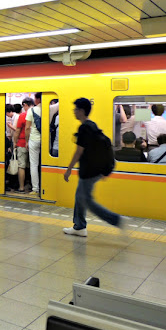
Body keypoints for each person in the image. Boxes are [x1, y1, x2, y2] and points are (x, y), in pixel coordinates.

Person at [63, 98, 123, 237]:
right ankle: (79, 226)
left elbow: (79, 151)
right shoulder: (92, 125)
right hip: (93, 170)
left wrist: (69, 169)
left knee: (86, 200)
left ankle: (116, 220)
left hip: (89, 171)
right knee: (80, 197)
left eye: (75, 109)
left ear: (82, 111)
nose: (74, 112)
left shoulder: (84, 128)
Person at [12, 98, 33, 193]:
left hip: (22, 143)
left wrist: (15, 142)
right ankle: (32, 186)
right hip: (34, 143)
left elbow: (17, 130)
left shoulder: (23, 115)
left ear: (25, 105)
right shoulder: (38, 114)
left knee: (21, 166)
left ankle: (21, 187)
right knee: (32, 165)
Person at [25, 92, 42, 197]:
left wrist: (27, 141)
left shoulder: (31, 110)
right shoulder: (50, 108)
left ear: (36, 100)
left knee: (34, 165)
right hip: (46, 141)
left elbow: (27, 128)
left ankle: (36, 189)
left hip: (34, 140)